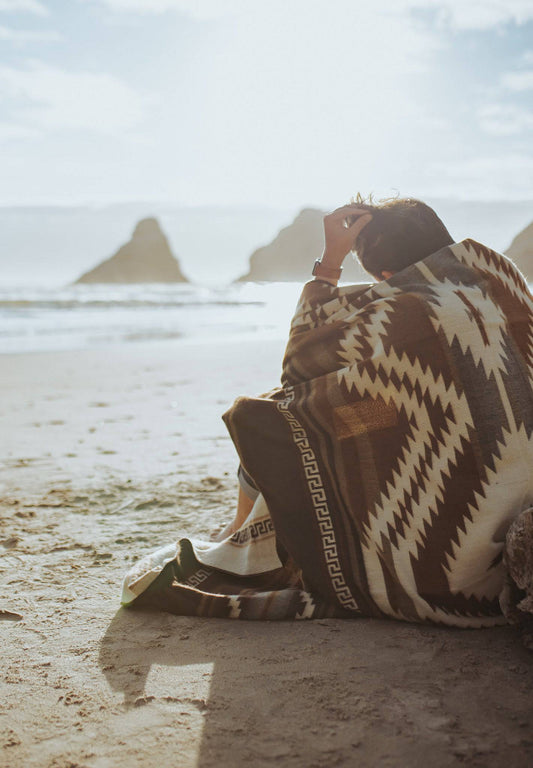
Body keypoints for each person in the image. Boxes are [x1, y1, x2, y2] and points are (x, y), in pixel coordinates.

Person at [122, 197, 533, 627]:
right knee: (346, 414)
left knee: (274, 417)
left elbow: (299, 368)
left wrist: (330, 262)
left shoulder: (404, 309)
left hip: (449, 573)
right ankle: (237, 530)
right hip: (505, 490)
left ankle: (237, 531)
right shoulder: (501, 279)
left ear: (388, 275)